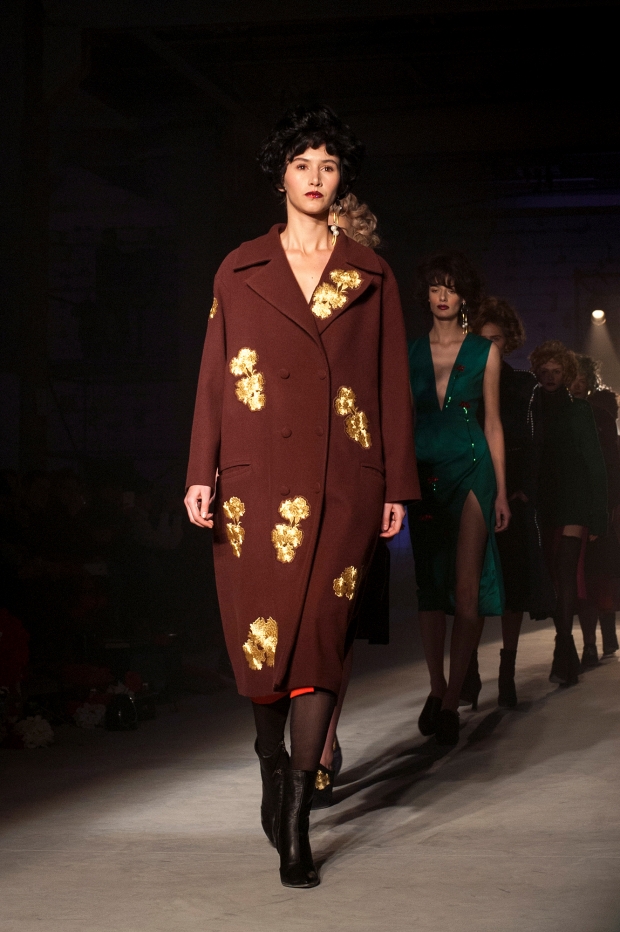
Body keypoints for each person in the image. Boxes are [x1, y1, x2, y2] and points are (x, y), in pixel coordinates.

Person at [184, 105, 419, 889]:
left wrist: (398, 482)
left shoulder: (371, 273)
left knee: (321, 634)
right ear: (280, 175)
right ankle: (270, 757)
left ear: (341, 177)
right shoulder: (240, 267)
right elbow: (214, 376)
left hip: (343, 478)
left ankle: (296, 818)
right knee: (261, 640)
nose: (315, 178)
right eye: (301, 164)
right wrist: (200, 470)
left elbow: (389, 382)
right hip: (255, 483)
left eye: (328, 165)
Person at [408, 252, 510, 747]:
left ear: (463, 295)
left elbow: (493, 422)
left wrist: (502, 491)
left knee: (466, 591)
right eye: (434, 287)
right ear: (426, 295)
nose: (442, 295)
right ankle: (437, 687)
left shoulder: (484, 352)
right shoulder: (408, 352)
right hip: (422, 471)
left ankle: (451, 702)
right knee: (430, 587)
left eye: (450, 286)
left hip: (473, 470)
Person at [314, 192, 385, 807]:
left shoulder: (371, 291)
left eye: (342, 231)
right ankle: (296, 739)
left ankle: (322, 743)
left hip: (351, 460)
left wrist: (394, 482)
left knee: (337, 619)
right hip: (293, 464)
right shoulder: (286, 283)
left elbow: (387, 389)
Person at [469, 297, 554, 707]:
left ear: (509, 341)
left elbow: (536, 444)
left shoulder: (523, 385)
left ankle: (506, 669)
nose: (490, 346)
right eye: (483, 338)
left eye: (497, 339)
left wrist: (524, 490)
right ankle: (468, 668)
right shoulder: (464, 382)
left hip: (512, 494)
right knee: (470, 584)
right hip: (471, 489)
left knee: (514, 587)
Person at [529, 341, 608, 685]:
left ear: (567, 373)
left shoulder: (579, 410)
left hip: (574, 498)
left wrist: (599, 515)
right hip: (545, 500)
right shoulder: (532, 408)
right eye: (544, 370)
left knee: (565, 572)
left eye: (557, 371)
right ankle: (565, 649)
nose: (550, 376)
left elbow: (595, 463)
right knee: (554, 577)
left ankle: (563, 648)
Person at [570, 356, 620, 665]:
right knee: (582, 578)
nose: (576, 384)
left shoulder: (601, 416)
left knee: (600, 573)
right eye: (572, 377)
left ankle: (605, 632)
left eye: (581, 378)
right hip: (571, 504)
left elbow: (612, 464)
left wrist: (612, 505)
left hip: (600, 504)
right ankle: (589, 644)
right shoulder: (555, 413)